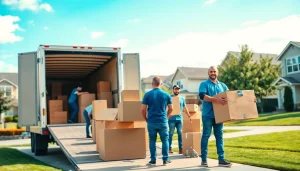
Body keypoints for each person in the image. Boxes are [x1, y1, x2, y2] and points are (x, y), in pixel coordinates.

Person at [198, 66, 232, 167]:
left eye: (214, 71)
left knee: (219, 137)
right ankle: (204, 159)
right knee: (206, 136)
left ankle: (221, 159)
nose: (213, 73)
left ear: (218, 73)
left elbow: (231, 97)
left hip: (220, 116)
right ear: (208, 73)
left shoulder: (223, 85)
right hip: (208, 115)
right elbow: (202, 96)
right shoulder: (204, 84)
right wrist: (216, 100)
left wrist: (249, 100)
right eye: (211, 71)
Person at [141, 76, 173, 166]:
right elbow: (171, 108)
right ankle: (165, 159)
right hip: (163, 120)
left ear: (152, 84)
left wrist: (146, 119)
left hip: (151, 121)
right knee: (165, 140)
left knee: (152, 140)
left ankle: (153, 160)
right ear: (161, 84)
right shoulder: (166, 95)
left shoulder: (147, 95)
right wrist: (166, 116)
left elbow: (143, 110)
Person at [168, 85, 191, 154]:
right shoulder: (169, 97)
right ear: (173, 90)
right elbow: (166, 106)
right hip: (171, 118)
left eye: (178, 89)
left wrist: (188, 115)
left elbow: (185, 107)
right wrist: (167, 115)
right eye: (176, 89)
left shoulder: (182, 98)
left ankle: (181, 148)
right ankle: (169, 148)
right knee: (171, 133)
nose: (177, 90)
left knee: (180, 133)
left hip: (179, 119)